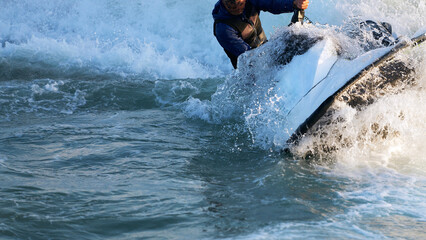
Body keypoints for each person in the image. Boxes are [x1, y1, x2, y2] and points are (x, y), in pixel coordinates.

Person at [212, 0, 310, 68]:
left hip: (266, 48)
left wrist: (294, 3)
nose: (237, 7)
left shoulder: (251, 2)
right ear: (223, 2)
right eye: (231, 5)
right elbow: (248, 56)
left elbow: (272, 3)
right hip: (250, 70)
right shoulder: (223, 29)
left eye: (239, 3)